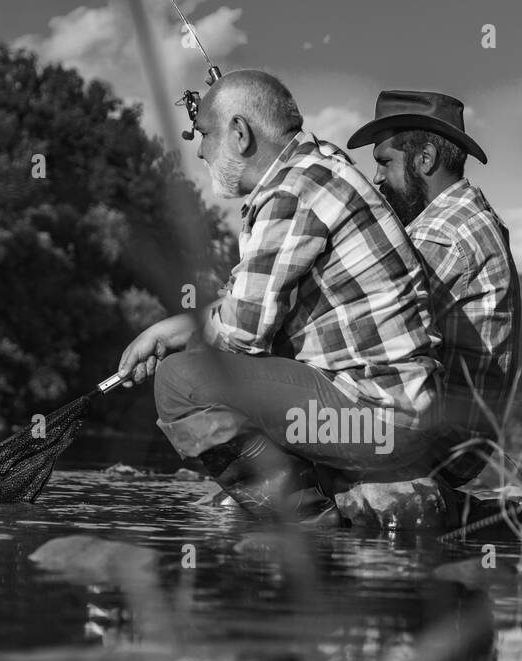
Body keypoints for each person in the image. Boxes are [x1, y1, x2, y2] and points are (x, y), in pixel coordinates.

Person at [117, 70, 444, 521]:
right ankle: (322, 496)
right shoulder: (317, 169)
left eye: (205, 134)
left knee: (180, 381)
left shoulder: (292, 190)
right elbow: (247, 303)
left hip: (376, 422)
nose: (199, 149)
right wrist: (178, 326)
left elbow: (242, 333)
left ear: (239, 133)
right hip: (397, 418)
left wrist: (186, 335)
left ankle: (308, 523)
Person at [349, 91, 521, 488]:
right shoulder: (469, 216)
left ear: (424, 158)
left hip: (431, 447)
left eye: (384, 162)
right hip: (460, 449)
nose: (376, 178)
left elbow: (368, 330)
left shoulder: (441, 233)